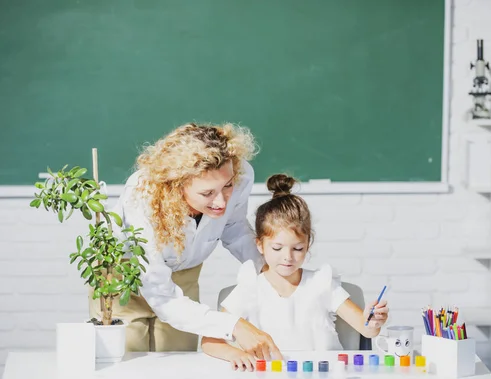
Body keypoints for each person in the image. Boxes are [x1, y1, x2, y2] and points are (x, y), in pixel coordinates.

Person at [88, 122, 282, 360]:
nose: (221, 202)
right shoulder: (142, 195)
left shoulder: (239, 173)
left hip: (185, 273)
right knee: (128, 362)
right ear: (176, 185)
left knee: (178, 361)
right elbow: (160, 294)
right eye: (207, 193)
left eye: (227, 186)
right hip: (123, 283)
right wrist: (234, 326)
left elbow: (234, 228)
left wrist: (271, 271)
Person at [201, 174, 389, 371]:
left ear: (308, 245)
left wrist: (373, 321)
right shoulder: (250, 287)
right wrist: (235, 353)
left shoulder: (321, 282)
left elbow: (366, 330)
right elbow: (209, 341)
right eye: (277, 248)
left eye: (297, 249)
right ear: (260, 245)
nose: (287, 257)